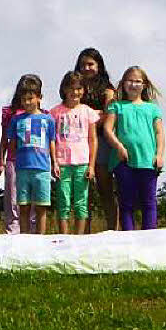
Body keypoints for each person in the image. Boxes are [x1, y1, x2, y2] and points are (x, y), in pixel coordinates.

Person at [103, 66, 164, 231]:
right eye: (130, 80)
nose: (134, 84)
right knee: (126, 202)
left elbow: (159, 133)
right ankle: (129, 239)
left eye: (138, 81)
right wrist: (118, 146)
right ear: (123, 83)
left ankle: (149, 238)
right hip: (123, 161)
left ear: (144, 85)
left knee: (149, 202)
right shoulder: (117, 106)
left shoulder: (152, 108)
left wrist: (159, 155)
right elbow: (108, 129)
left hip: (148, 160)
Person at [2, 79, 57, 234]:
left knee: (41, 207)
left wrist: (55, 163)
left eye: (30, 98)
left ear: (39, 97)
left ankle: (40, 239)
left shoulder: (48, 120)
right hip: (22, 169)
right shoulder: (16, 120)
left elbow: (52, 142)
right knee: (23, 207)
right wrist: (9, 161)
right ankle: (24, 240)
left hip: (42, 169)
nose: (27, 102)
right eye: (24, 99)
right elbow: (11, 142)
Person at [49, 73, 99, 235]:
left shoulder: (87, 111)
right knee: (63, 201)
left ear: (83, 90)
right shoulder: (55, 112)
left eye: (78, 88)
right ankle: (64, 236)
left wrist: (91, 166)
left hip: (82, 163)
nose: (75, 92)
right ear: (64, 89)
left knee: (81, 202)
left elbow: (93, 139)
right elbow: (52, 140)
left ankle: (79, 239)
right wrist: (53, 162)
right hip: (62, 164)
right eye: (71, 88)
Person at [0, 75, 41, 234]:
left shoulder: (43, 115)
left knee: (33, 201)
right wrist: (1, 162)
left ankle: (33, 235)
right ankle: (12, 234)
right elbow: (4, 139)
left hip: (35, 163)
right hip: (14, 160)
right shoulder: (9, 113)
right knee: (13, 201)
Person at [75, 48, 117, 232]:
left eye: (90, 64)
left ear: (99, 66)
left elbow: (108, 115)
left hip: (101, 142)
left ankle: (113, 229)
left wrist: (87, 117)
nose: (86, 68)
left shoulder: (107, 88)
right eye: (83, 64)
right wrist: (93, 115)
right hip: (78, 142)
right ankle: (84, 232)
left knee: (105, 186)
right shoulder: (75, 87)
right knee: (83, 192)